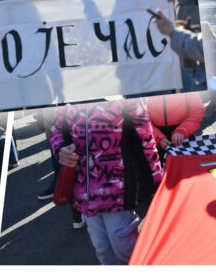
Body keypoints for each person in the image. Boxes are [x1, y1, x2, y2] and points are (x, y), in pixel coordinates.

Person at [50, 100, 163, 265]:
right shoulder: (68, 98)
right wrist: (60, 148)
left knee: (125, 249)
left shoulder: (126, 98)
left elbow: (146, 144)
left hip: (119, 194)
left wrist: (156, 183)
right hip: (84, 193)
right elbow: (55, 128)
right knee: (102, 248)